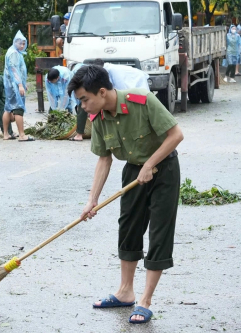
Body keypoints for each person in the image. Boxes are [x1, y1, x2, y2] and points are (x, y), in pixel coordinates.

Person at [69, 65, 184, 324]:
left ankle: (145, 300)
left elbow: (176, 135)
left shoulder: (143, 101)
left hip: (162, 169)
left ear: (101, 91)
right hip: (133, 171)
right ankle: (125, 292)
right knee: (128, 227)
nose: (83, 106)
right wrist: (92, 200)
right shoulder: (98, 118)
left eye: (85, 100)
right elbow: (104, 159)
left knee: (158, 232)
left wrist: (149, 163)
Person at [71, 60, 149, 141]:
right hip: (129, 84)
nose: (83, 105)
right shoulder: (85, 74)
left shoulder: (114, 72)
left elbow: (120, 91)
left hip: (137, 80)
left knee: (138, 107)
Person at [3, 31, 33, 142]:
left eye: (24, 43)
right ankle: (22, 135)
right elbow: (14, 70)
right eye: (20, 43)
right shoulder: (14, 54)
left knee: (8, 108)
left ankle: (6, 134)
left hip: (11, 85)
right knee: (18, 108)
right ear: (15, 42)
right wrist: (20, 85)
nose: (22, 46)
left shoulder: (14, 52)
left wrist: (23, 84)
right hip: (14, 85)